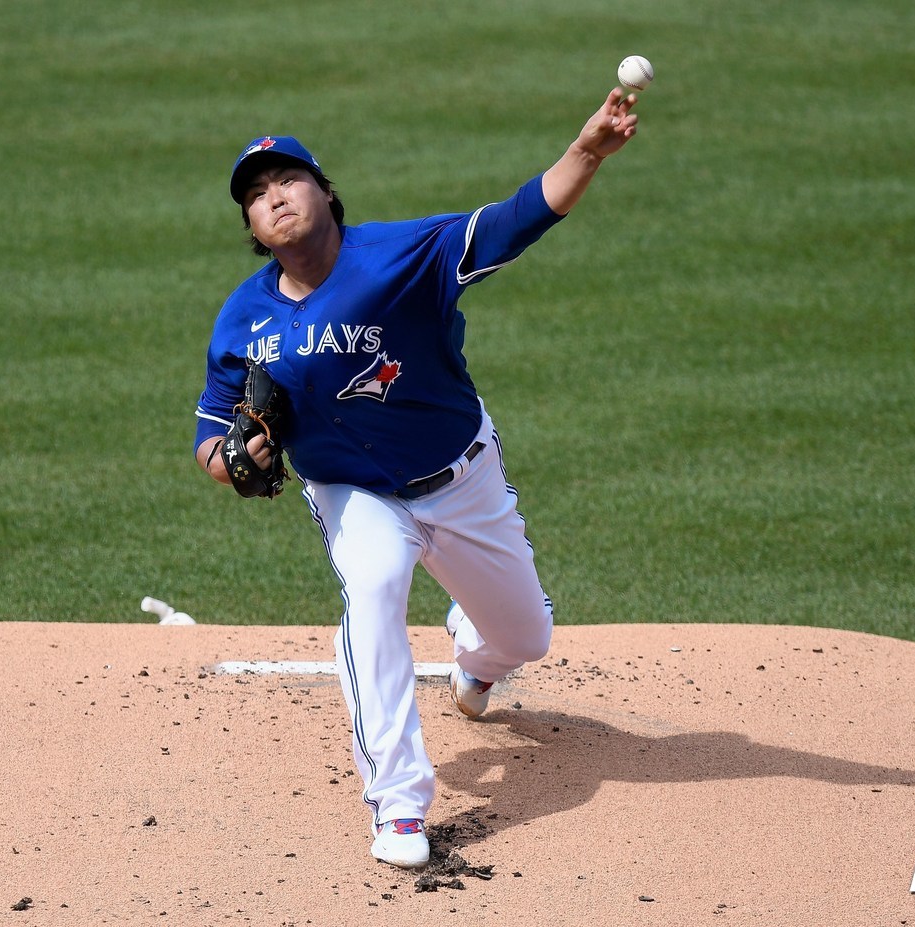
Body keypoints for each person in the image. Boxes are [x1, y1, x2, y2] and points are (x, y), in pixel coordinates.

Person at [193, 88, 640, 869]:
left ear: (324, 192)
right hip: (353, 494)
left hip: (462, 477)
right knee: (371, 590)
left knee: (524, 634)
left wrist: (588, 152)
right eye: (257, 197)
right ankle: (398, 804)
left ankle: (475, 656)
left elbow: (516, 218)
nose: (275, 199)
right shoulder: (242, 319)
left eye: (287, 181)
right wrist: (233, 465)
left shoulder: (404, 254)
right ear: (253, 228)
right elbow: (210, 430)